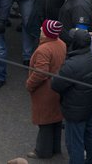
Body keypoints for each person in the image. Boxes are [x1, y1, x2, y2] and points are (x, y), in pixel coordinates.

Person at [51, 28, 92, 164]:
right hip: (91, 105)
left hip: (75, 110)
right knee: (90, 135)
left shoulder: (72, 65)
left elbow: (56, 85)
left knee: (75, 144)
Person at [26, 19, 66, 159]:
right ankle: (55, 149)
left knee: (44, 122)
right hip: (57, 89)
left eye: (43, 29)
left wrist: (29, 84)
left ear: (47, 33)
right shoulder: (61, 44)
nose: (40, 30)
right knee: (55, 119)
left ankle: (42, 151)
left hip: (45, 91)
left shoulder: (44, 49)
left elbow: (40, 73)